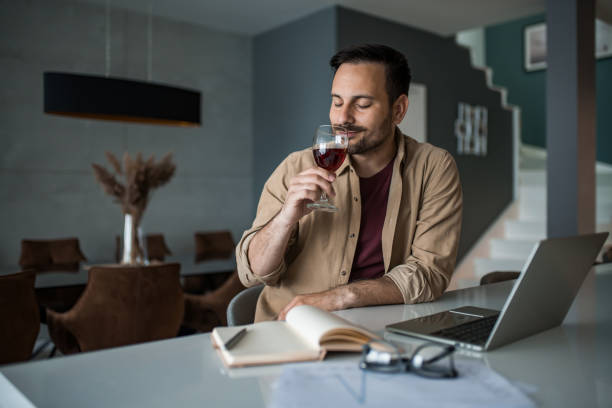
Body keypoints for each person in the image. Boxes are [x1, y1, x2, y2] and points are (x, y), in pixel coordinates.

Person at [236, 44, 462, 322]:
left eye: (363, 104)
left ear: (399, 109)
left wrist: (341, 297)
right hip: (288, 327)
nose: (342, 118)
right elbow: (253, 273)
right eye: (337, 102)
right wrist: (285, 219)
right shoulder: (295, 167)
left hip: (380, 327)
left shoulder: (434, 167)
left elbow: (429, 273)